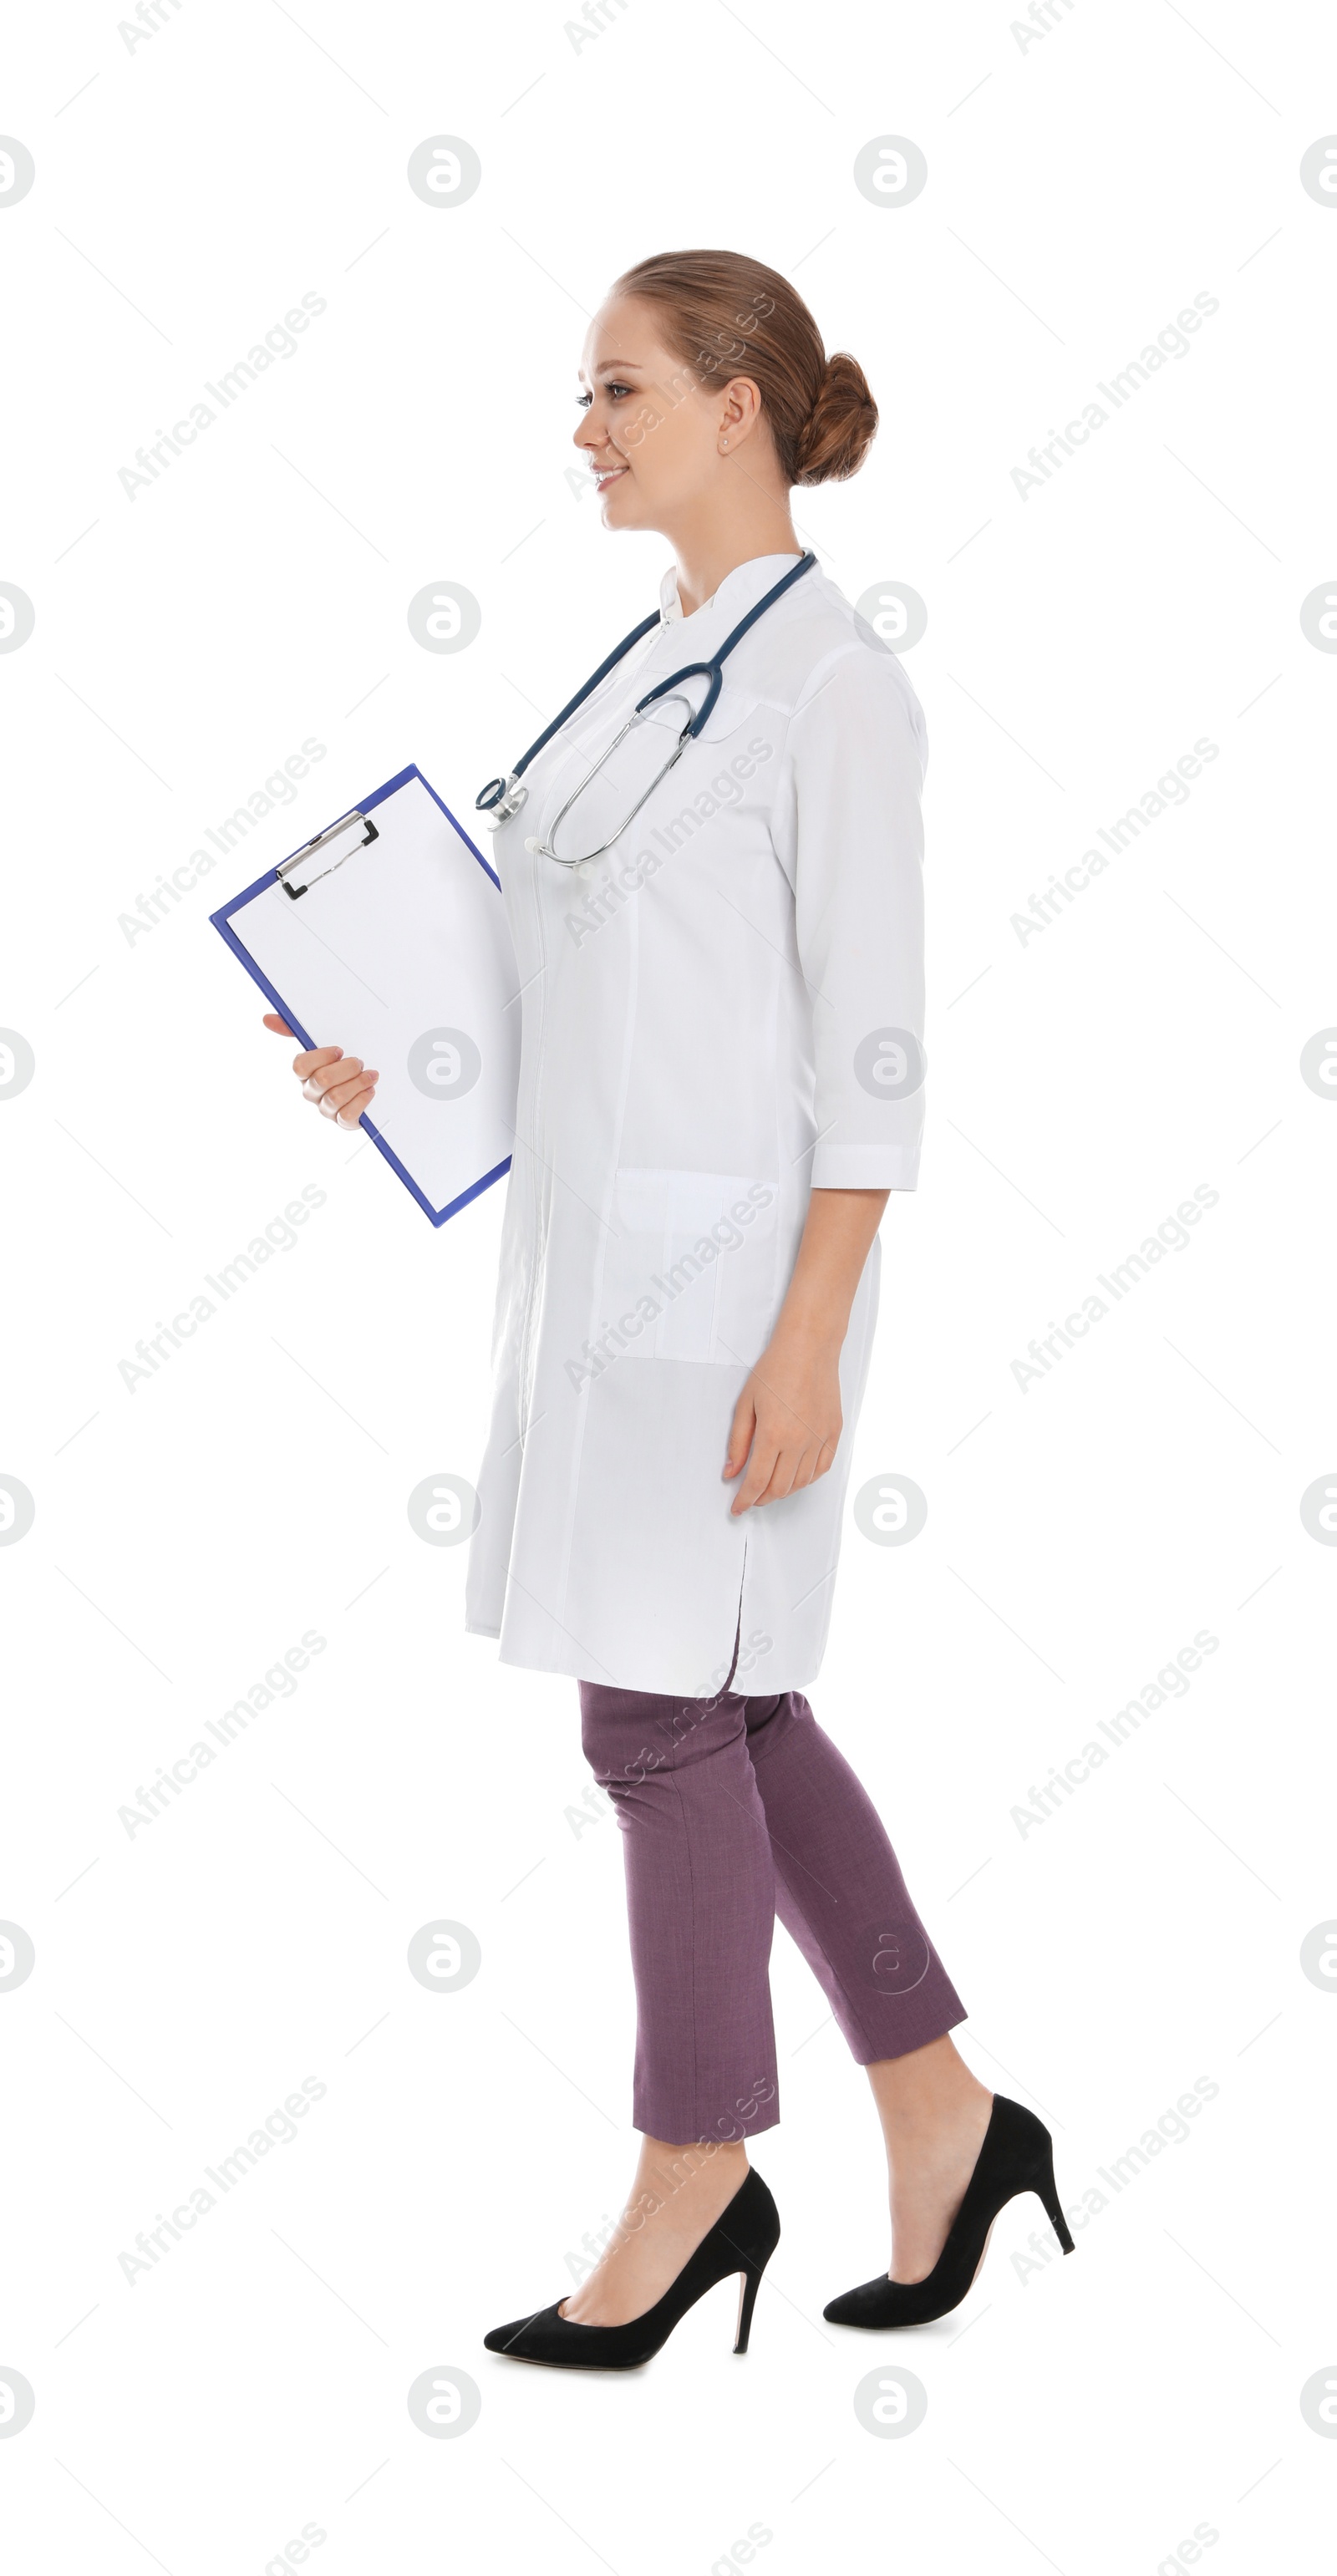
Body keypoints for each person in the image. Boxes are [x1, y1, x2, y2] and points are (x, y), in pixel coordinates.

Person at [265, 249, 1071, 2370]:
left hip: (743, 1299)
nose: (586, 430)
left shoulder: (834, 689)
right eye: (583, 396)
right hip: (602, 1274)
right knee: (723, 1709)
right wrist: (405, 1061)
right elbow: (586, 1001)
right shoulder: (648, 665)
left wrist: (810, 1333)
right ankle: (944, 2112)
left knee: (652, 1718)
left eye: (618, 389)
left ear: (738, 406)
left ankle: (698, 2163)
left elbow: (874, 1054)